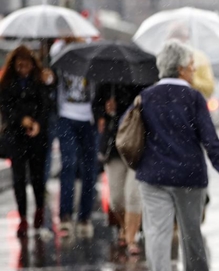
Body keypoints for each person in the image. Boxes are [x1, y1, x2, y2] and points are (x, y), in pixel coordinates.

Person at [136, 40, 219, 271]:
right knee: (191, 230)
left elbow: (131, 133)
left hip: (153, 176)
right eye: (191, 67)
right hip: (188, 176)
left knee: (156, 232)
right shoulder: (193, 98)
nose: (193, 71)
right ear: (181, 69)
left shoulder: (146, 96)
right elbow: (209, 138)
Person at [0, 45, 52, 238]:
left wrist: (37, 123)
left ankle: (39, 208)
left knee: (37, 176)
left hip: (37, 137)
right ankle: (22, 216)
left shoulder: (39, 81)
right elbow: (6, 108)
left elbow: (46, 106)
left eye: (26, 66)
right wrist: (21, 119)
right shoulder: (7, 83)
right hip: (15, 136)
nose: (23, 70)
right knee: (18, 178)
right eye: (20, 66)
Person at [93, 83, 145, 254]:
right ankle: (125, 227)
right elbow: (96, 106)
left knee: (133, 194)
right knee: (116, 199)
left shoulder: (143, 79)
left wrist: (131, 106)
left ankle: (131, 238)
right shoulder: (107, 81)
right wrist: (104, 111)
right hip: (113, 146)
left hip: (137, 143)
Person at [55, 38, 99, 238]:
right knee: (69, 164)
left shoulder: (92, 51)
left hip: (89, 119)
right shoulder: (60, 50)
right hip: (66, 116)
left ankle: (84, 216)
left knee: (89, 168)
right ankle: (65, 215)